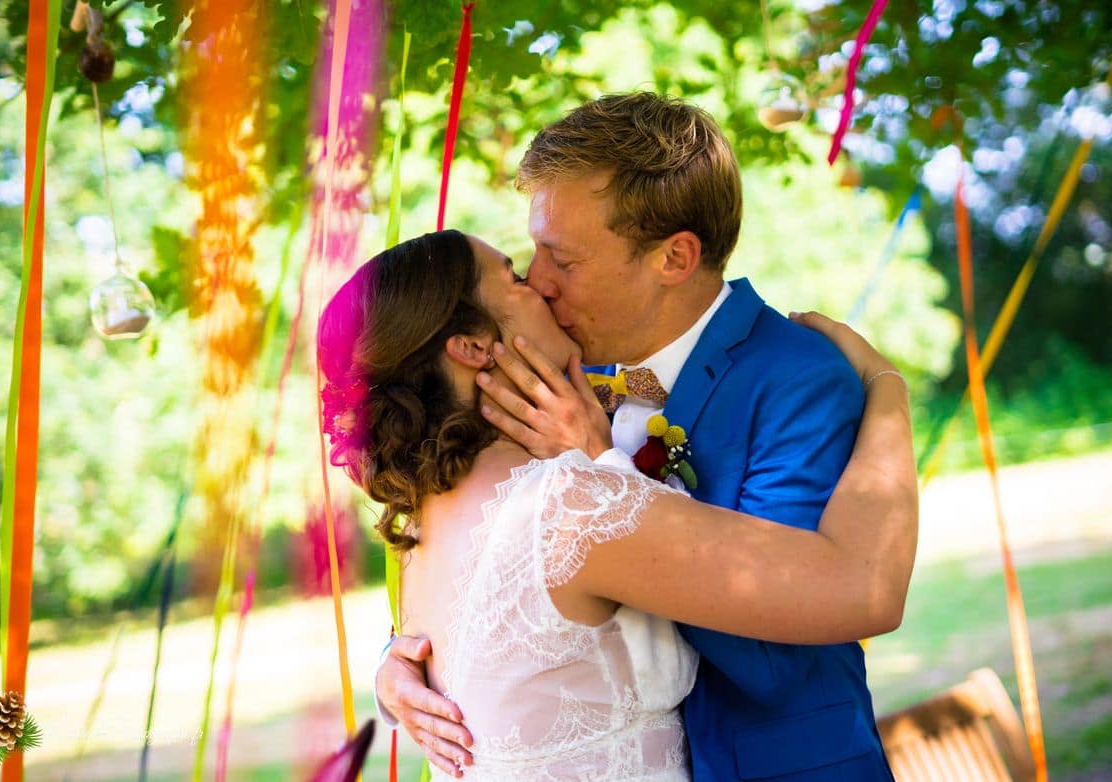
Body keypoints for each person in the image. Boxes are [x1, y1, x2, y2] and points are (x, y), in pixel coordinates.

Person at [377, 93, 915, 781]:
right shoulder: (557, 372)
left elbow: (779, 656)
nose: (538, 283)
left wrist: (603, 469)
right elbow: (481, 554)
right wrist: (402, 659)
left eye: (561, 260)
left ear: (674, 257)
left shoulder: (795, 377)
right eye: (531, 253)